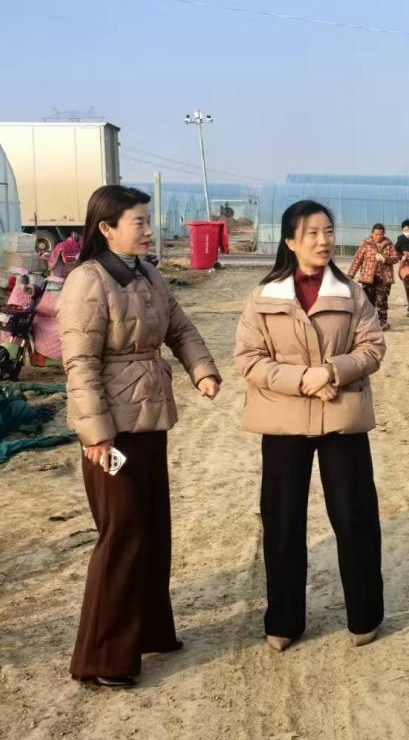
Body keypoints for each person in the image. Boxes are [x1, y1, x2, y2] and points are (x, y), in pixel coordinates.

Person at [59, 186, 221, 689]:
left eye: (149, 221)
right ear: (106, 228)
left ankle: (150, 630)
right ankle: (102, 657)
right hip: (113, 430)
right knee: (122, 534)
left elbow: (181, 328)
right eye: (140, 222)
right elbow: (80, 363)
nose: (150, 230)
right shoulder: (88, 281)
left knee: (152, 528)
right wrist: (95, 434)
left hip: (151, 418)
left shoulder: (148, 274)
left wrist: (202, 370)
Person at [234, 200, 387, 653]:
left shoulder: (350, 293)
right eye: (312, 233)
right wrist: (303, 379)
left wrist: (333, 371)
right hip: (283, 420)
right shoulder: (263, 297)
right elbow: (248, 360)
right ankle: (284, 620)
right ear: (290, 241)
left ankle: (365, 615)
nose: (324, 241)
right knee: (282, 522)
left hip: (342, 417)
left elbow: (372, 348)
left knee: (355, 516)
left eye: (328, 231)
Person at [348, 223, 399, 330]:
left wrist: (385, 259)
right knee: (368, 302)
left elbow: (396, 258)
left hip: (384, 278)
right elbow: (357, 259)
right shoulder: (366, 244)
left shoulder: (389, 244)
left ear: (384, 234)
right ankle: (368, 322)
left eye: (381, 234)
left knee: (382, 301)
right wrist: (351, 274)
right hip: (368, 278)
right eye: (376, 234)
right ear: (372, 233)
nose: (378, 237)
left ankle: (382, 322)